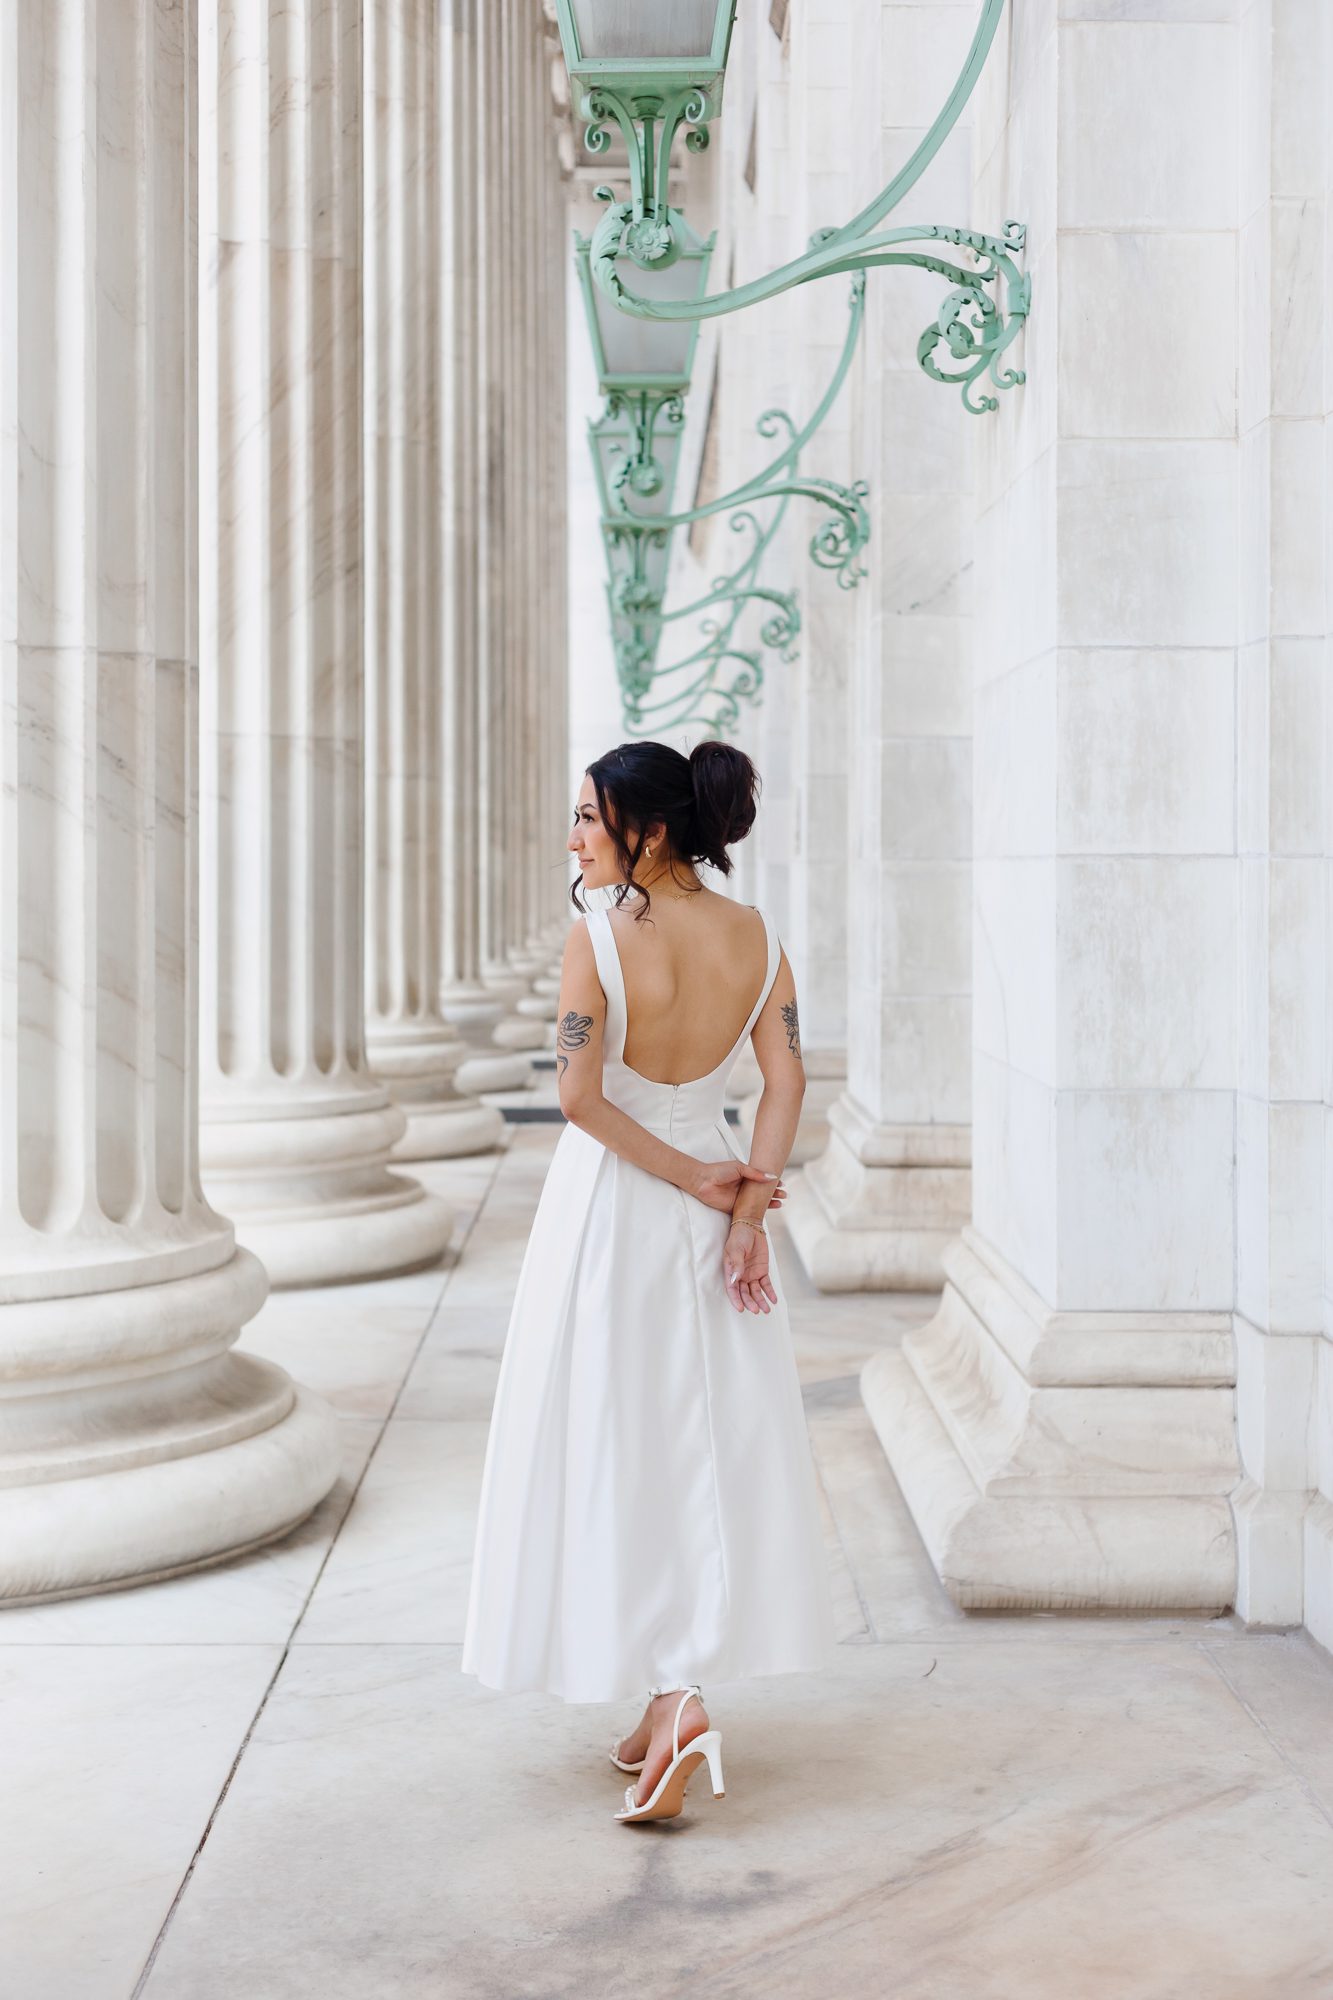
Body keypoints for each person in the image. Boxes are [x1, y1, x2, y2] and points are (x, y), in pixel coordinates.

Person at [460, 739, 834, 1824]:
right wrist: (744, 1207)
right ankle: (667, 1690)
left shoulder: (599, 937)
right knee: (696, 1444)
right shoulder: (754, 936)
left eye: (588, 816)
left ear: (648, 828)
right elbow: (786, 1073)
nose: (573, 836)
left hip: (611, 1209)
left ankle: (677, 1693)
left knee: (612, 1438)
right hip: (712, 1198)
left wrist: (699, 1186)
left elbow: (580, 1100)